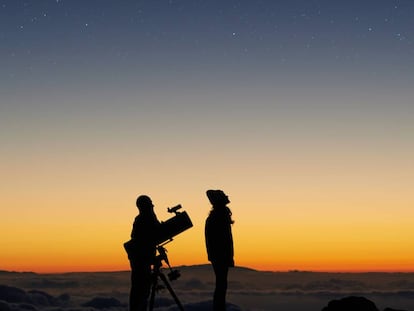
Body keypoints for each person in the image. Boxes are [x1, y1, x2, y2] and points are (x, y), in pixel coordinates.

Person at [127, 195, 161, 311]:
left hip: (141, 260)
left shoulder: (143, 218)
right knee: (140, 292)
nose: (153, 205)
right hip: (141, 261)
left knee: (141, 293)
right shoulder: (144, 219)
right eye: (150, 203)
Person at [205, 189, 235, 311]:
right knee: (221, 285)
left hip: (219, 256)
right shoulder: (218, 217)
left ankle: (219, 308)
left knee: (221, 284)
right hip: (220, 256)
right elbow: (222, 240)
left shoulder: (216, 217)